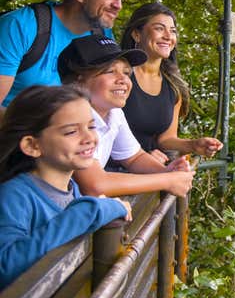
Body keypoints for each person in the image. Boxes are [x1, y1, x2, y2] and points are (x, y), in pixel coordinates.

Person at [0, 85, 131, 289]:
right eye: (71, 131)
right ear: (32, 146)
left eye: (91, 126)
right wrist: (93, 210)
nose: (89, 138)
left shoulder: (71, 189)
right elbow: (5, 266)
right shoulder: (14, 196)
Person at [58, 35, 195, 197]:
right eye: (110, 71)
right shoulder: (68, 118)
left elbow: (134, 157)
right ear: (79, 81)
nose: (123, 80)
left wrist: (167, 171)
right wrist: (167, 180)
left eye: (126, 73)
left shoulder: (113, 113)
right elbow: (95, 185)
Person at [0, 0, 126, 111]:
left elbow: (109, 96)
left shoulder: (102, 34)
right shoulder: (20, 25)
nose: (118, 5)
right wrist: (48, 130)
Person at [119, 3, 222, 158]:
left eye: (172, 31)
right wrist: (141, 158)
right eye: (159, 28)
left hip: (150, 169)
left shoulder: (173, 86)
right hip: (113, 170)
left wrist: (193, 144)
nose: (168, 36)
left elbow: (166, 139)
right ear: (136, 34)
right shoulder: (118, 76)